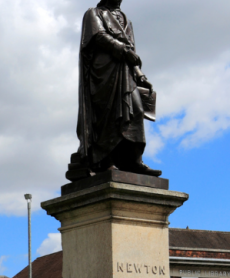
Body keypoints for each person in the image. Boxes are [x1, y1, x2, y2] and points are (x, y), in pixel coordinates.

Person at [69, 0, 161, 179]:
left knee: (136, 110)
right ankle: (107, 161)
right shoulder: (93, 13)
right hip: (104, 71)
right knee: (107, 114)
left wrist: (140, 74)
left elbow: (131, 52)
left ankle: (134, 160)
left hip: (126, 73)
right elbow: (98, 36)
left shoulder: (126, 19)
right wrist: (121, 49)